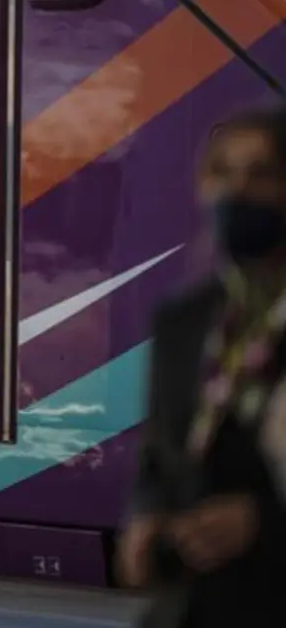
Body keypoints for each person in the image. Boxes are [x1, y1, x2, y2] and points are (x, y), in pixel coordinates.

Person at [118, 105, 286, 628]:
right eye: (223, 173)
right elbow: (160, 456)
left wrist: (262, 523)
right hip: (193, 608)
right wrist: (145, 517)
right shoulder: (184, 320)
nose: (237, 190)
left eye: (260, 174)